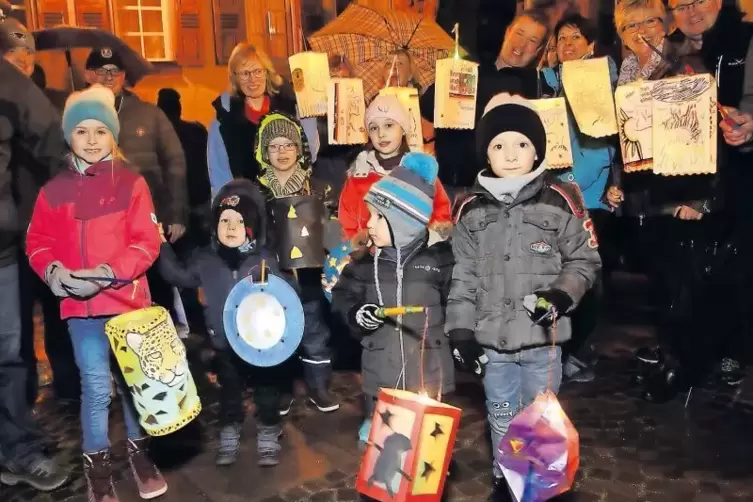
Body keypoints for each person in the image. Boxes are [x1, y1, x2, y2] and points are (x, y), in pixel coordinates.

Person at [446, 94, 600, 502]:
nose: (509, 154)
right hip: (492, 341)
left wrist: (561, 296)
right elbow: (462, 274)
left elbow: (585, 260)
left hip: (541, 339)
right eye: (498, 145)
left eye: (520, 144)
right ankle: (507, 480)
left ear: (536, 151)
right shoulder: (470, 209)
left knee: (540, 419)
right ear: (486, 154)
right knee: (500, 413)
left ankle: (541, 486)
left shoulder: (560, 198)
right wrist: (460, 331)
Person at [25, 85, 165, 502]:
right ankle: (97, 465)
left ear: (113, 136)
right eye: (81, 131)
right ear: (68, 135)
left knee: (132, 383)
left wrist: (108, 273)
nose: (90, 140)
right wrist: (51, 271)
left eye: (100, 131)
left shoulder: (132, 184)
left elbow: (146, 243)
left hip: (127, 305)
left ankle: (141, 455)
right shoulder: (53, 190)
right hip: (80, 309)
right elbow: (37, 240)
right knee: (96, 385)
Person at [630, 0, 753, 398]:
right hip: (683, 183)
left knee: (728, 275)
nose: (691, 10)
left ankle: (723, 354)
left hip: (738, 179)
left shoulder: (745, 39)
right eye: (681, 4)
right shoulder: (672, 50)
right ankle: (683, 356)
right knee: (681, 276)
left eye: (699, 0)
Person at [158, 179, 288, 467]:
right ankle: (230, 427)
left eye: (238, 221)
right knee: (230, 389)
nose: (230, 227)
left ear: (251, 228)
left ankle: (269, 426)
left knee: (267, 389)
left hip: (261, 342)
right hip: (225, 342)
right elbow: (178, 276)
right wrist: (161, 247)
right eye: (224, 220)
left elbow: (286, 295)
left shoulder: (264, 260)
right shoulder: (205, 259)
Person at [332, 152, 455, 447]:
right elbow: (342, 296)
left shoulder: (439, 261)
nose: (369, 224)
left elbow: (459, 301)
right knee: (385, 455)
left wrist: (465, 338)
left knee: (426, 451)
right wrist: (357, 313)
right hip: (381, 376)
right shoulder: (363, 264)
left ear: (405, 222)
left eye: (378, 217)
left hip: (429, 376)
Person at [0, 13, 71, 493]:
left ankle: (16, 447)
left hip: (3, 246)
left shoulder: (13, 86)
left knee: (10, 354)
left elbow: (51, 133)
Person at [540, 12, 619, 384]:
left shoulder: (597, 82)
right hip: (555, 195)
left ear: (590, 44)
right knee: (557, 274)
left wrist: (566, 182)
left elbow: (601, 148)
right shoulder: (551, 84)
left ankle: (579, 350)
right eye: (561, 39)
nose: (567, 45)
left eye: (575, 38)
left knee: (585, 278)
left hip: (585, 197)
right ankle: (562, 347)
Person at [84, 47, 188, 325]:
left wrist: (176, 214)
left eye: (114, 71)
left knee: (159, 290)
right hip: (100, 226)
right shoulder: (76, 116)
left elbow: (175, 162)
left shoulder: (148, 114)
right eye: (101, 71)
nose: (108, 77)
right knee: (113, 295)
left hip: (149, 222)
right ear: (88, 75)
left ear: (124, 76)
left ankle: (170, 349)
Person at [253, 111, 339, 413]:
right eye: (274, 146)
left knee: (314, 330)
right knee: (278, 333)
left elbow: (333, 227)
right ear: (264, 151)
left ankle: (319, 388)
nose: (281, 152)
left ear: (299, 148)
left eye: (288, 145)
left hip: (311, 276)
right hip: (274, 276)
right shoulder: (256, 190)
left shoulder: (318, 188)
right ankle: (283, 389)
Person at [420, 9, 550, 188]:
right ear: (507, 32)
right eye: (519, 33)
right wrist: (444, 81)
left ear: (538, 50)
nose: (522, 43)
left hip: (493, 191)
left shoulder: (534, 88)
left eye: (532, 40)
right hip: (446, 181)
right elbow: (427, 108)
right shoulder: (470, 69)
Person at [339, 95, 452, 241]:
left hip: (416, 257)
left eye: (388, 125)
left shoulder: (420, 174)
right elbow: (347, 226)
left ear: (403, 128)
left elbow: (440, 214)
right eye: (374, 128)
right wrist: (360, 249)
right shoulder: (358, 179)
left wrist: (428, 241)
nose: (381, 134)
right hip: (370, 260)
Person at [208, 43, 297, 198]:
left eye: (257, 71)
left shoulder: (288, 109)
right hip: (246, 204)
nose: (252, 79)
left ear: (267, 73)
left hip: (288, 202)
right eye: (245, 73)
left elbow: (308, 152)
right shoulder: (225, 119)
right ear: (235, 77)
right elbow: (219, 175)